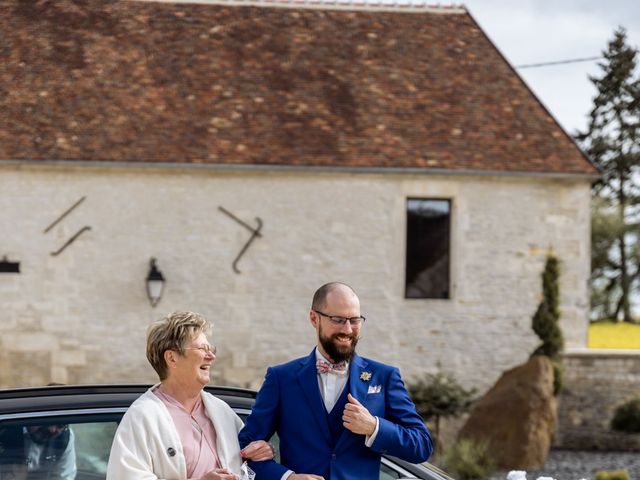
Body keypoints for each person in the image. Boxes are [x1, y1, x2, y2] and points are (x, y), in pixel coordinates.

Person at [238, 282, 433, 480]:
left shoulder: (384, 377)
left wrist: (374, 427)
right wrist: (286, 477)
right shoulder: (281, 378)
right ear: (314, 318)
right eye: (338, 320)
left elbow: (422, 445)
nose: (347, 329)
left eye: (354, 320)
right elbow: (244, 449)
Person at [107, 311, 273, 480]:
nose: (211, 356)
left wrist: (263, 451)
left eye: (211, 349)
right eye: (202, 349)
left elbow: (247, 461)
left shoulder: (222, 411)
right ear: (171, 358)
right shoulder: (142, 416)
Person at [0, 422, 76, 480]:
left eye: (60, 425)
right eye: (48, 421)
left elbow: (63, 476)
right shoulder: (5, 427)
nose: (52, 430)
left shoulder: (64, 439)